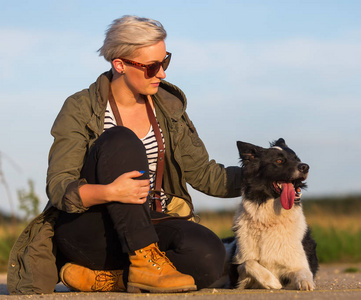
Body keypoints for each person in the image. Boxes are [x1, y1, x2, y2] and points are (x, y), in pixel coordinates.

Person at [7, 15, 242, 294]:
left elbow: (206, 175)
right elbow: (59, 187)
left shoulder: (168, 109)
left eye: (165, 61)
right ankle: (142, 266)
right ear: (119, 64)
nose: (162, 73)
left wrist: (269, 173)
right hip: (92, 231)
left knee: (208, 257)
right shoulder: (80, 108)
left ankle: (108, 279)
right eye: (152, 66)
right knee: (122, 139)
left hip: (150, 221)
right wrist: (110, 192)